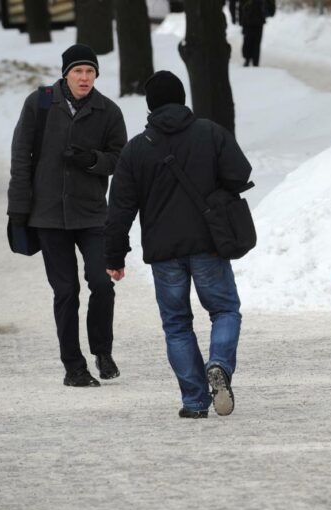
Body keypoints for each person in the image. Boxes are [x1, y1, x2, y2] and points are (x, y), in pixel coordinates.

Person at [104, 71, 252, 419]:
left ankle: (195, 401)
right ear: (182, 98)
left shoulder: (136, 149)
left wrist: (114, 255)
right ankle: (218, 364)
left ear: (150, 106)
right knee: (225, 310)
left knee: (176, 325)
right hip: (208, 245)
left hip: (164, 252)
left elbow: (119, 209)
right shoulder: (210, 133)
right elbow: (239, 174)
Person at [7, 44, 127, 387]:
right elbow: (21, 156)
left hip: (91, 215)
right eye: (78, 71)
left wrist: (91, 160)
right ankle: (74, 367)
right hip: (48, 216)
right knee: (66, 291)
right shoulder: (41, 102)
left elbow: (120, 159)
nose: (84, 77)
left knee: (102, 283)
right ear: (65, 74)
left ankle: (102, 351)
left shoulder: (108, 111)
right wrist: (18, 208)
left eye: (90, 71)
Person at [230, 0, 275, 67]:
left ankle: (252, 60)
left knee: (251, 41)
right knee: (251, 41)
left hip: (254, 18)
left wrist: (234, 17)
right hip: (251, 18)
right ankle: (251, 60)